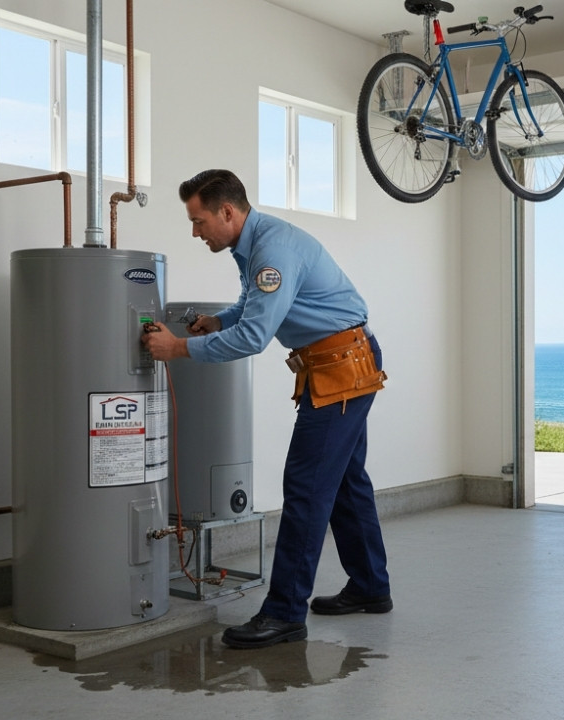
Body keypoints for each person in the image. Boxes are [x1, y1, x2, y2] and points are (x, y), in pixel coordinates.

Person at [142, 169, 392, 650]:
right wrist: (218, 320)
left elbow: (256, 336)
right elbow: (255, 307)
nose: (196, 232)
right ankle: (369, 586)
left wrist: (177, 350)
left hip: (342, 368)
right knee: (343, 483)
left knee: (306, 488)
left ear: (227, 212)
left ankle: (284, 613)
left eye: (198, 221)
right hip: (338, 363)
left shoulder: (272, 250)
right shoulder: (255, 245)